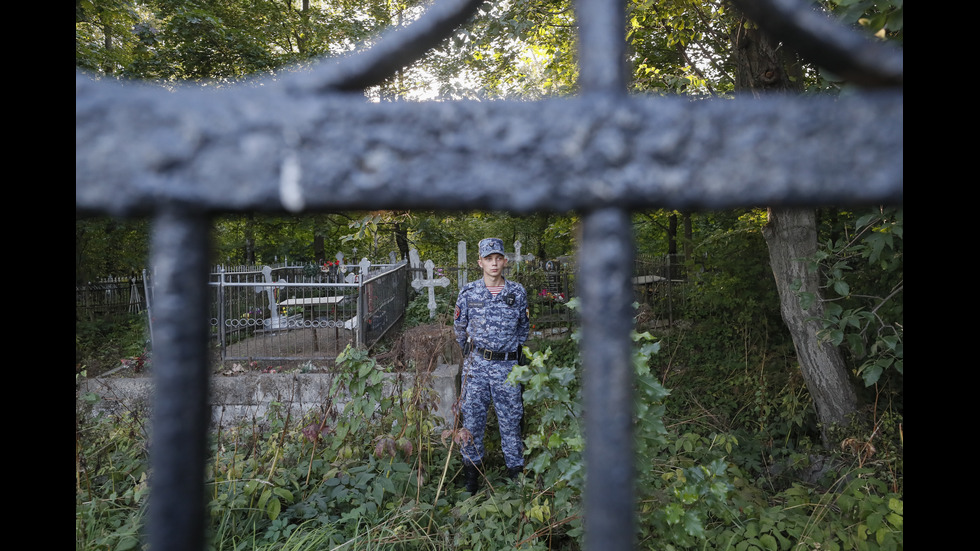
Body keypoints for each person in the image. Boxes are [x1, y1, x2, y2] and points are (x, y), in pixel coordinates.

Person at [454, 237, 530, 494]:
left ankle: (515, 481)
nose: (494, 263)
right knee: (472, 423)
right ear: (480, 263)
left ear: (505, 261)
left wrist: (512, 352)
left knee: (510, 423)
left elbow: (523, 327)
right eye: (488, 259)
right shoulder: (468, 293)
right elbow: (459, 329)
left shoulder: (517, 292)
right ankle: (471, 482)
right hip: (476, 369)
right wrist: (472, 354)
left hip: (507, 369)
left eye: (498, 258)